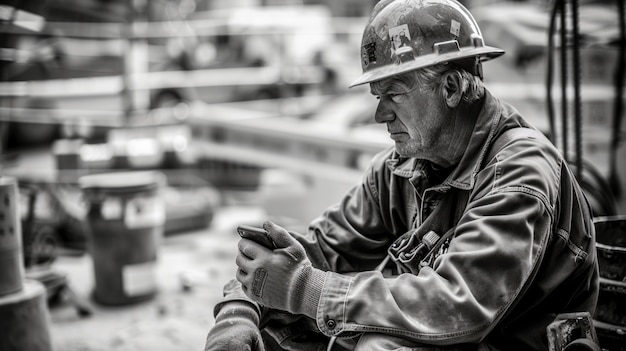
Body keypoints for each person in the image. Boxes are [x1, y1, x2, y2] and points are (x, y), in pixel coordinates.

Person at [204, 0, 599, 350]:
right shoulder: (401, 168)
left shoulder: (520, 171)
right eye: (377, 97)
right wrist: (241, 309)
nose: (380, 115)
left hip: (511, 340)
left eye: (393, 94)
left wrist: (305, 289)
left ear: (451, 87)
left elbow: (456, 306)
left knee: (381, 342)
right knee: (281, 312)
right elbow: (318, 252)